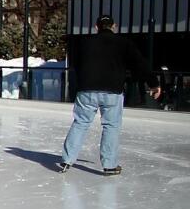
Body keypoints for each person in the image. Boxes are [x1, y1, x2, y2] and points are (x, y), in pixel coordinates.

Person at [58, 14, 161, 175]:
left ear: (96, 27)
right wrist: (153, 83)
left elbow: (75, 64)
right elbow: (140, 64)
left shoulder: (84, 43)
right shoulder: (123, 43)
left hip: (87, 90)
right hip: (112, 91)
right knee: (111, 126)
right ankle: (109, 165)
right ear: (114, 26)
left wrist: (82, 81)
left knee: (80, 123)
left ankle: (66, 160)